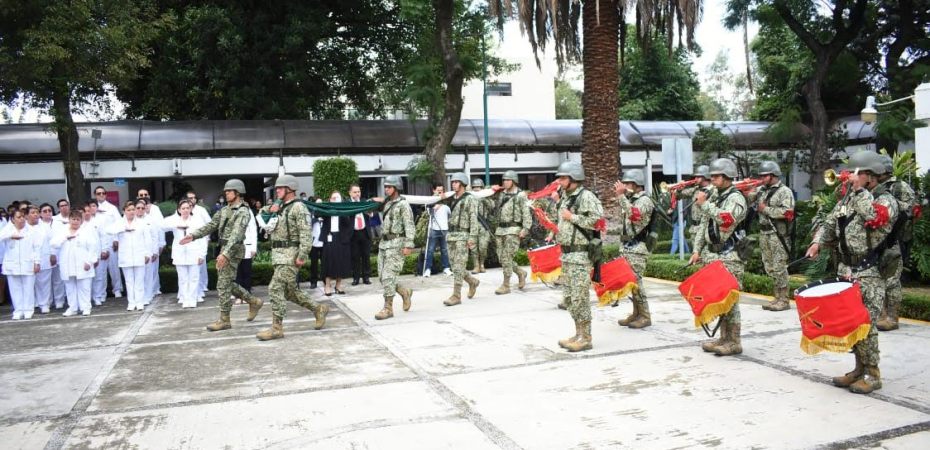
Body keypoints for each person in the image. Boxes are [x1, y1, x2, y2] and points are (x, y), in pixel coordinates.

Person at [807, 150, 898, 394]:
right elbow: (830, 222)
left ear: (872, 176)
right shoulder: (849, 199)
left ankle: (872, 374)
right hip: (846, 269)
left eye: (857, 173)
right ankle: (858, 369)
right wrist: (817, 243)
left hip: (869, 271)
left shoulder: (885, 200)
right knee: (851, 324)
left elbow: (874, 218)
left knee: (865, 324)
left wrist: (858, 192)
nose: (850, 177)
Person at [181, 180, 263, 331]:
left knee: (222, 284)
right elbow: (211, 225)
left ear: (238, 193)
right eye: (225, 191)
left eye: (229, 191)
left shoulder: (243, 211)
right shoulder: (225, 209)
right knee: (227, 283)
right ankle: (253, 301)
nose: (226, 193)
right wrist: (193, 235)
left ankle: (225, 320)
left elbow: (237, 235)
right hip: (225, 248)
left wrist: (225, 254)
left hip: (234, 249)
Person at [254, 174, 329, 340]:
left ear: (290, 189)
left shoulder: (299, 208)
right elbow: (261, 213)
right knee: (290, 292)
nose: (277, 191)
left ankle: (276, 328)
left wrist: (302, 255)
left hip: (290, 255)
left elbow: (306, 233)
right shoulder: (280, 206)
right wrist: (271, 209)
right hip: (278, 255)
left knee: (274, 288)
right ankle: (318, 309)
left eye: (280, 188)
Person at [689, 158, 749, 356]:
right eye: (712, 176)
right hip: (712, 254)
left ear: (727, 176)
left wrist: (705, 205)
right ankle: (724, 338)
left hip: (730, 255)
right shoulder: (714, 196)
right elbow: (703, 225)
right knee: (719, 298)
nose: (712, 179)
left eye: (716, 176)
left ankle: (734, 341)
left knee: (730, 300)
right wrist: (697, 250)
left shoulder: (736, 198)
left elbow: (726, 220)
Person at [552, 161, 603, 352]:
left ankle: (586, 337)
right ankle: (578, 333)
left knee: (580, 298)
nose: (559, 181)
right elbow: (562, 221)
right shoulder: (566, 197)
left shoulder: (586, 196)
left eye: (563, 178)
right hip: (567, 256)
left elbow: (597, 221)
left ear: (574, 178)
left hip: (580, 255)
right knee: (569, 298)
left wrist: (572, 217)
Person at [874, 154, 916, 331]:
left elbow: (910, 209)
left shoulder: (899, 186)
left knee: (892, 280)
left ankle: (892, 317)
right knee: (877, 278)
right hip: (878, 239)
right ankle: (881, 315)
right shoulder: (874, 187)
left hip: (895, 239)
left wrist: (888, 201)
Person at [613, 169, 656, 329]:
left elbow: (635, 216)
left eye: (628, 183)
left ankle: (645, 316)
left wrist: (621, 196)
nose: (625, 186)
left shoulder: (645, 201)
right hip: (628, 247)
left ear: (637, 184)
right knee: (631, 283)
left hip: (637, 247)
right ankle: (636, 313)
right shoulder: (632, 199)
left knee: (636, 283)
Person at [752, 161, 795, 312]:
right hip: (764, 233)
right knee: (769, 266)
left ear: (773, 175)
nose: (762, 178)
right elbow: (750, 198)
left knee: (779, 267)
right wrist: (747, 191)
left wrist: (766, 209)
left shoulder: (784, 191)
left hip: (778, 234)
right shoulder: (761, 190)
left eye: (764, 176)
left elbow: (787, 212)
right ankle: (777, 297)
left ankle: (784, 299)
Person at [373, 176, 415, 320]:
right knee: (382, 277)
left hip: (396, 243)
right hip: (384, 244)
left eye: (389, 187)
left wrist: (409, 244)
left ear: (396, 188)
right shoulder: (387, 203)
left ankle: (388, 308)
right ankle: (404, 292)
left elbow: (409, 225)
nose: (386, 189)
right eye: (385, 187)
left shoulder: (403, 204)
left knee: (388, 277)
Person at [489, 171, 532, 295]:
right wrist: (492, 189)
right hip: (500, 230)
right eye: (504, 180)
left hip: (513, 229)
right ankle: (521, 272)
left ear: (514, 181)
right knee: (502, 258)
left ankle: (506, 284)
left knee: (507, 257)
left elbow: (526, 212)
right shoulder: (501, 194)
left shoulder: (521, 195)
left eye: (508, 180)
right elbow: (487, 200)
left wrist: (525, 229)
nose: (505, 182)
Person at [107, 201, 154, 311]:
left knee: (139, 280)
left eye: (133, 209)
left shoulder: (142, 223)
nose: (131, 212)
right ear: (124, 211)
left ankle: (139, 302)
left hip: (139, 254)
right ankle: (131, 302)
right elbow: (108, 230)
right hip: (126, 256)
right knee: (129, 281)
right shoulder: (120, 223)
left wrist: (147, 254)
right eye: (129, 210)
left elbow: (148, 240)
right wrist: (123, 229)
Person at [443, 172, 481, 306]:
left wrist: (472, 237)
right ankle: (472, 281)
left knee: (459, 266)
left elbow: (473, 218)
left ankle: (456, 295)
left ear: (463, 183)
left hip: (463, 235)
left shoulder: (470, 199)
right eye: (452, 182)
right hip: (451, 235)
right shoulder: (451, 198)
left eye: (456, 182)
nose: (453, 184)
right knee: (455, 267)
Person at [51, 210, 99, 316]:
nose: (75, 221)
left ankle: (85, 307)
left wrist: (89, 262)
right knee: (70, 287)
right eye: (73, 219)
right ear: (69, 220)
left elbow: (93, 248)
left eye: (78, 219)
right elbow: (53, 243)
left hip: (83, 263)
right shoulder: (63, 231)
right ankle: (72, 308)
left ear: (81, 221)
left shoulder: (86, 231)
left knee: (84, 287)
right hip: (67, 264)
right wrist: (65, 238)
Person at [162, 200, 208, 308]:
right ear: (179, 210)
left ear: (190, 209)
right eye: (183, 208)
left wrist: (202, 254)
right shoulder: (174, 220)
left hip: (194, 252)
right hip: (180, 253)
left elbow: (203, 238)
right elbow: (161, 226)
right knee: (183, 278)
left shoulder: (197, 221)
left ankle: (192, 299)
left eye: (187, 208)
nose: (185, 210)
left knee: (194, 278)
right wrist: (176, 224)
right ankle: (185, 299)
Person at [0, 210, 40, 319]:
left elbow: (36, 247)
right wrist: (10, 236)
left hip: (28, 263)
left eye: (23, 216)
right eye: (18, 217)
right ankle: (18, 310)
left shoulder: (31, 230)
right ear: (13, 219)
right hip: (12, 264)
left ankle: (28, 310)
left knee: (28, 288)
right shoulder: (8, 229)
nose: (21, 219)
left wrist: (37, 262)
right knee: (15, 289)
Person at [320, 191, 353, 295]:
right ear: (330, 199)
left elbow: (348, 223)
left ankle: (338, 285)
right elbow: (317, 214)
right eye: (333, 198)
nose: (335, 200)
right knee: (328, 261)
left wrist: (340, 211)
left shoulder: (344, 210)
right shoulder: (326, 209)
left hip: (341, 238)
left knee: (341, 261)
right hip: (329, 237)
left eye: (337, 198)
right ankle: (327, 285)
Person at [94, 186, 124, 299]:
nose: (101, 195)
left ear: (106, 194)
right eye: (98, 193)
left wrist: (116, 239)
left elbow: (118, 224)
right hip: (98, 243)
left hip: (111, 241)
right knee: (100, 270)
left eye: (103, 193)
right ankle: (101, 293)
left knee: (114, 268)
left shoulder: (112, 208)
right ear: (95, 195)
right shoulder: (93, 208)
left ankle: (117, 289)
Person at [674, 165, 712, 250]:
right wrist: (679, 189)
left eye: (698, 176)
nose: (695, 178)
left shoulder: (713, 190)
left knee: (706, 253)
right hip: (695, 228)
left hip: (707, 228)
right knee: (696, 253)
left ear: (705, 177)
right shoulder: (696, 189)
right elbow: (678, 196)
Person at [184, 191, 212, 302]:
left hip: (201, 241)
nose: (192, 200)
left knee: (201, 266)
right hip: (187, 244)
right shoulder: (182, 210)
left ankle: (202, 287)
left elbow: (209, 225)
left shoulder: (201, 210)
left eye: (193, 198)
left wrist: (207, 238)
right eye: (189, 198)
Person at [27, 205, 55, 314]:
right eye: (32, 212)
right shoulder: (24, 227)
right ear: (26, 215)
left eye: (36, 212)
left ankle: (44, 304)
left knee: (44, 283)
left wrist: (52, 254)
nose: (35, 214)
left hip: (44, 257)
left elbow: (52, 241)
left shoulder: (45, 226)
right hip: (28, 260)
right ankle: (32, 304)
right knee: (29, 283)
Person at [83, 202, 112, 306]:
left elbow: (103, 237)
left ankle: (98, 297)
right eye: (85, 211)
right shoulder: (80, 224)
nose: (87, 213)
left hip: (98, 254)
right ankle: (88, 298)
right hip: (84, 256)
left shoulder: (97, 222)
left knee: (99, 276)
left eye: (88, 211)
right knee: (86, 278)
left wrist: (104, 250)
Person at [423, 184, 451, 277]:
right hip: (433, 229)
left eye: (441, 190)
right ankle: (428, 269)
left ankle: (446, 268)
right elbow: (428, 212)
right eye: (438, 190)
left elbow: (450, 214)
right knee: (430, 250)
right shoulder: (430, 201)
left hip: (444, 229)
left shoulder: (446, 202)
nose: (440, 192)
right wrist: (436, 204)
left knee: (445, 250)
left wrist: (443, 202)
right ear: (433, 190)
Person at [348, 184, 373, 286]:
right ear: (350, 193)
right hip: (353, 233)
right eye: (355, 192)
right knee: (355, 257)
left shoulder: (364, 202)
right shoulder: (347, 204)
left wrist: (370, 212)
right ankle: (356, 278)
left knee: (366, 256)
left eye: (358, 192)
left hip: (364, 232)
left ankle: (366, 277)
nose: (357, 194)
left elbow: (371, 214)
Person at [234, 201, 258, 300]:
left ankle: (247, 292)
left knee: (246, 271)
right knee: (237, 272)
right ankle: (238, 295)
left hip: (247, 246)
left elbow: (253, 231)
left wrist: (254, 248)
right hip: (235, 247)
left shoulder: (249, 214)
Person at [470, 178, 494, 274]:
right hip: (472, 226)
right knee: (473, 247)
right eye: (474, 187)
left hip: (484, 226)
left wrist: (483, 198)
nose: (476, 189)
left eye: (478, 187)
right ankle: (476, 266)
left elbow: (492, 207)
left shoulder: (487, 198)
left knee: (483, 247)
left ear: (482, 188)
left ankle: (482, 264)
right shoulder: (470, 198)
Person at [50, 199, 70, 309]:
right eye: (61, 206)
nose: (64, 207)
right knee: (58, 280)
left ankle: (71, 300)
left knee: (70, 278)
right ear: (58, 208)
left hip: (70, 252)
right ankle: (59, 300)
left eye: (65, 205)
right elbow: (52, 238)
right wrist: (53, 254)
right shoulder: (54, 220)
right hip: (58, 252)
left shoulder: (73, 217)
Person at [308, 199, 324, 289]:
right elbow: (308, 224)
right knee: (313, 264)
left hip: (324, 242)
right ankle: (313, 282)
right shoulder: (311, 213)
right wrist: (316, 219)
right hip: (314, 243)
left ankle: (325, 280)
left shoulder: (325, 213)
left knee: (325, 263)